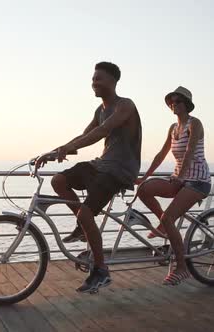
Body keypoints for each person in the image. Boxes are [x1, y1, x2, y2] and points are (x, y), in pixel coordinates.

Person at [36, 62, 142, 293]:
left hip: (119, 170)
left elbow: (100, 132)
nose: (93, 83)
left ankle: (101, 271)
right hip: (102, 165)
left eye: (99, 79)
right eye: (93, 79)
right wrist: (55, 152)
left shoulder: (125, 105)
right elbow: (84, 135)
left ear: (113, 82)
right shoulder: (100, 110)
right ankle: (84, 228)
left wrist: (65, 148)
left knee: (86, 213)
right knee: (58, 181)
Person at [135, 86, 211, 286]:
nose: (173, 104)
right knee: (144, 190)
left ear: (186, 104)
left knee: (169, 217)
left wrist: (182, 176)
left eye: (177, 101)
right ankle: (164, 227)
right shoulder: (173, 128)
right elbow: (161, 154)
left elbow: (190, 152)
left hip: (197, 180)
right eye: (171, 101)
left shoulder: (195, 124)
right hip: (179, 178)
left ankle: (182, 268)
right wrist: (143, 177)